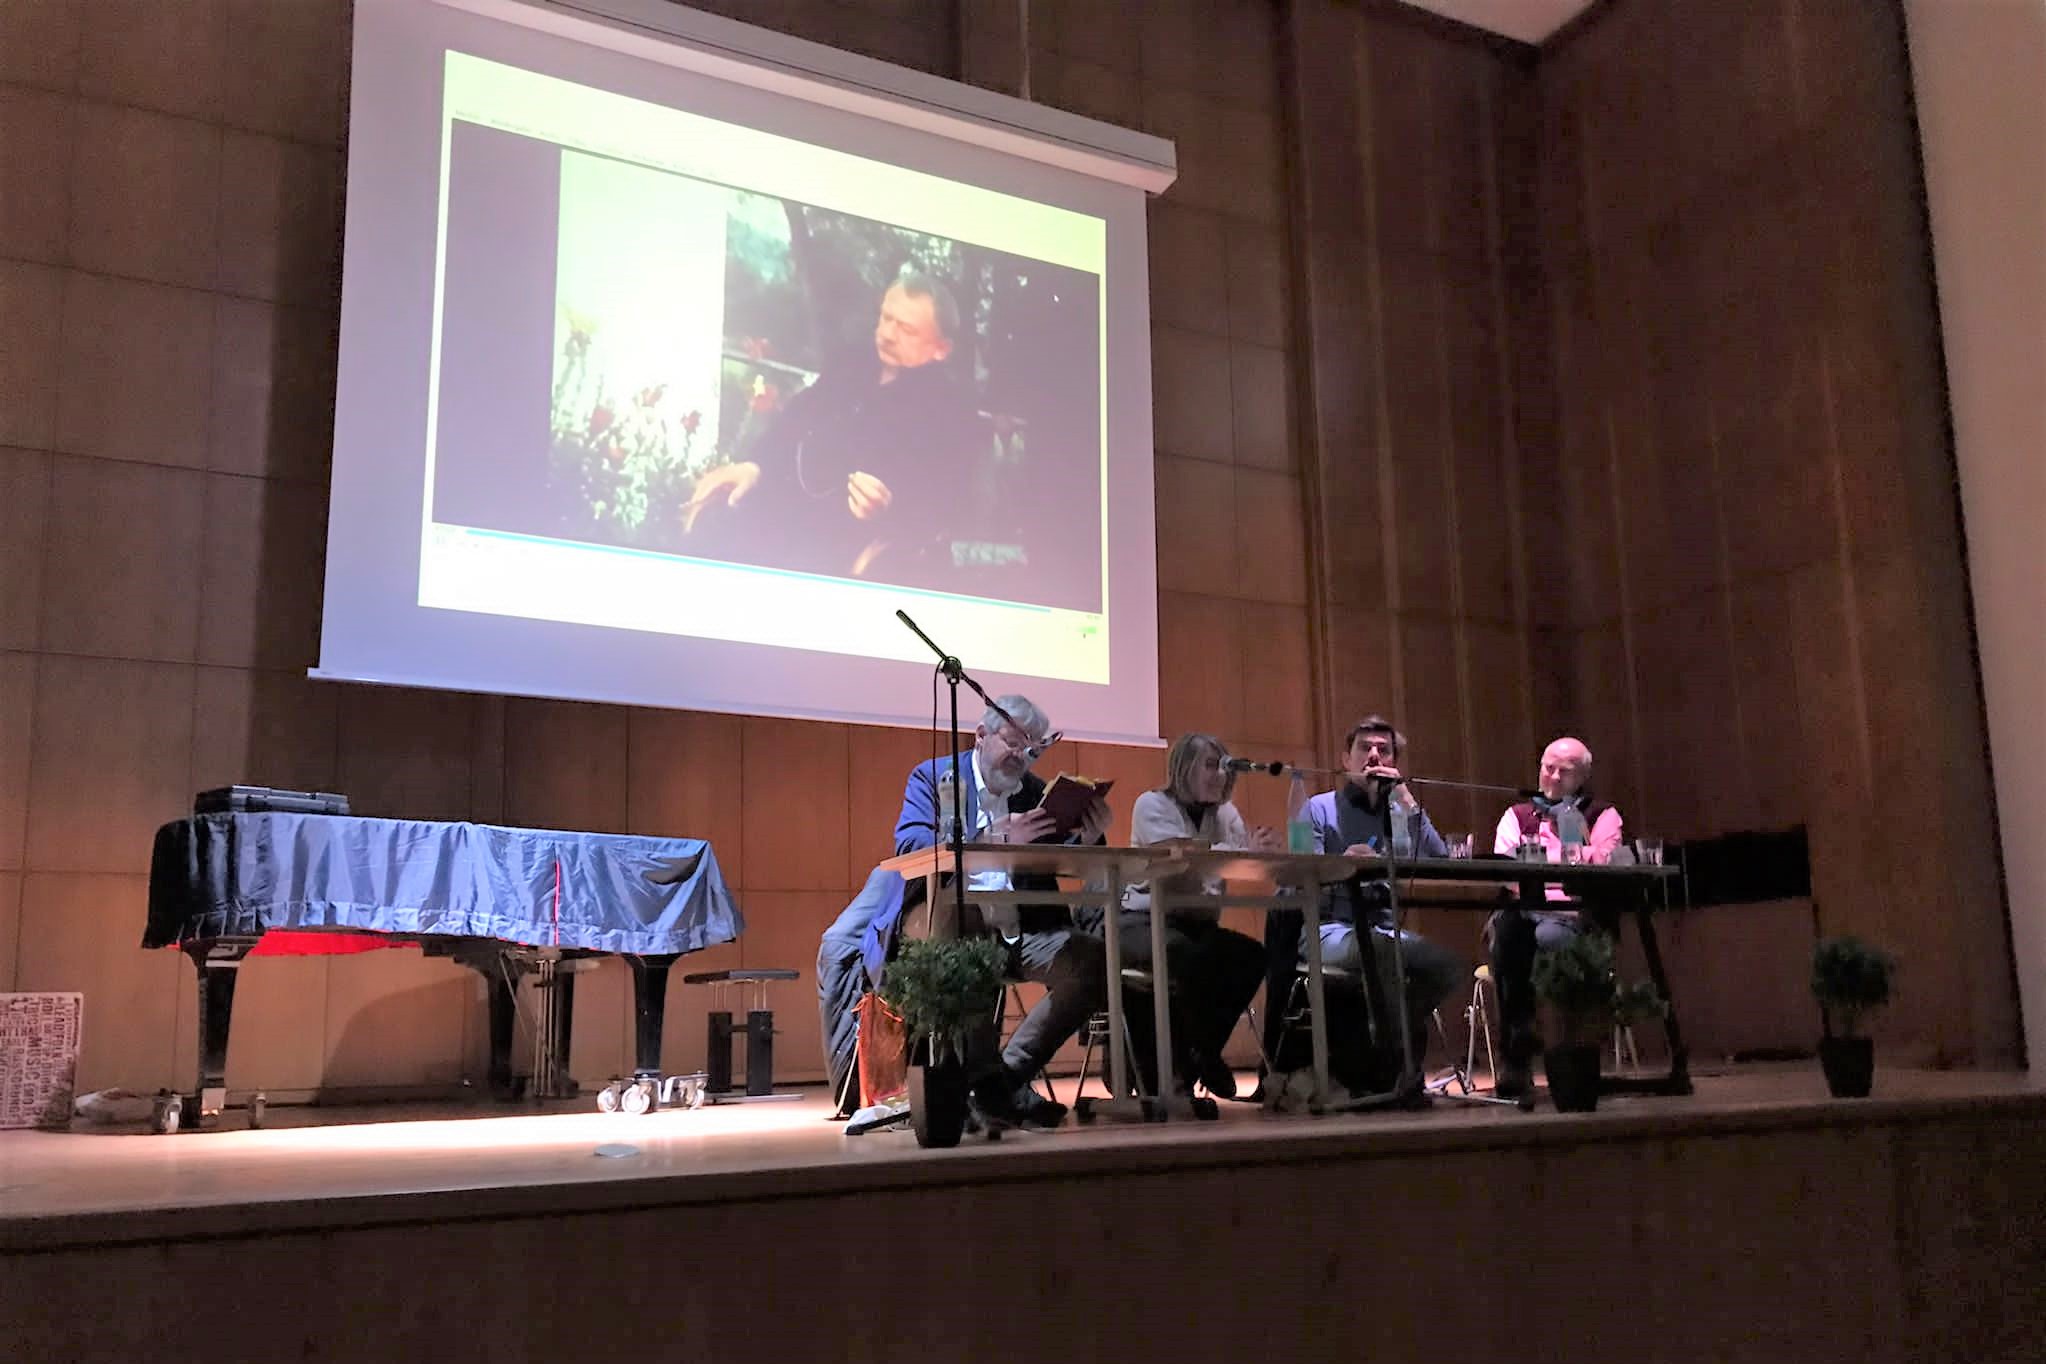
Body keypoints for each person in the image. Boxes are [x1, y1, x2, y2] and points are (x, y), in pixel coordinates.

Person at [884, 694, 1112, 1128]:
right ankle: (991, 1086)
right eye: (1014, 742)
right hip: (942, 917)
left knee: (1092, 960)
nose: (1022, 756)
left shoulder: (1035, 792)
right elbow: (911, 845)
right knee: (967, 925)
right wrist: (992, 837)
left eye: (1033, 749)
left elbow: (1074, 863)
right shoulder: (934, 777)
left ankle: (1003, 1081)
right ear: (980, 735)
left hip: (1021, 928)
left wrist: (1088, 836)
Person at [682, 268, 987, 584]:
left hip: (853, 552)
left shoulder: (953, 412)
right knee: (709, 529)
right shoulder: (852, 362)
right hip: (787, 517)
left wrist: (890, 515)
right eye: (886, 318)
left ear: (941, 349)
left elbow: (948, 507)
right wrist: (754, 465)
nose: (887, 334)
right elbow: (797, 417)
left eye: (906, 330)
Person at [1276, 716, 1467, 1085]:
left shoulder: (1400, 812)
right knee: (1381, 952)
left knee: (1449, 965)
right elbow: (1303, 875)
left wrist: (1407, 800)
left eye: (1384, 750)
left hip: (1383, 928)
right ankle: (1393, 1065)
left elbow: (1440, 861)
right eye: (1365, 748)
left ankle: (1386, 1041)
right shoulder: (1318, 807)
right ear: (1345, 759)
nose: (1374, 756)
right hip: (1327, 930)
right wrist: (1342, 864)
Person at [1101, 734, 1273, 1101]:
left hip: (1197, 926)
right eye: (1211, 765)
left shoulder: (1226, 814)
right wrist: (1238, 851)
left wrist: (1253, 854)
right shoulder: (1152, 804)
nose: (1220, 775)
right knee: (1190, 958)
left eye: (1225, 767)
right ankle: (1184, 1064)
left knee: (1252, 956)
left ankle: (1202, 1054)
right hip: (1141, 922)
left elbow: (1235, 860)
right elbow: (1182, 859)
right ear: (1184, 768)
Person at [1487, 736, 1626, 1099]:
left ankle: (1567, 1053)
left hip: (1575, 914)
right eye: (1548, 767)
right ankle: (1517, 1053)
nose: (1553, 776)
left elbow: (1604, 864)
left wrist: (1557, 848)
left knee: (1550, 937)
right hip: (1525, 910)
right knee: (1508, 931)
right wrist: (1563, 864)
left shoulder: (1603, 815)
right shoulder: (1517, 815)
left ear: (1583, 777)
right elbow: (1506, 869)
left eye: (1564, 771)